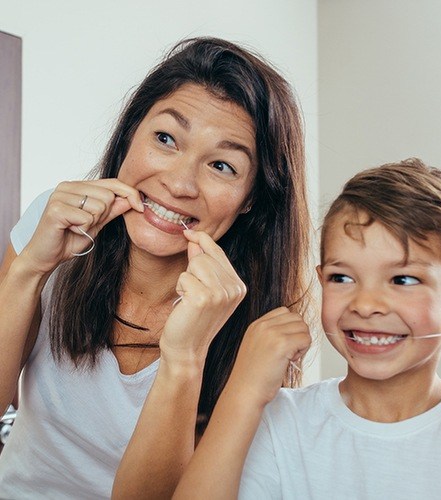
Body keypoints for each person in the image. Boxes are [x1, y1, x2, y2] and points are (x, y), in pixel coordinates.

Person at [0, 36, 312, 499]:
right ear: (131, 134)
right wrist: (30, 270)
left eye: (222, 166)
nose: (180, 183)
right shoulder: (56, 218)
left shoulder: (258, 323)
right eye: (166, 139)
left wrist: (185, 357)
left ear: (251, 200)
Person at [173, 158, 441, 499]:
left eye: (403, 279)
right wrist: (242, 392)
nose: (365, 304)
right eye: (341, 278)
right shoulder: (278, 421)